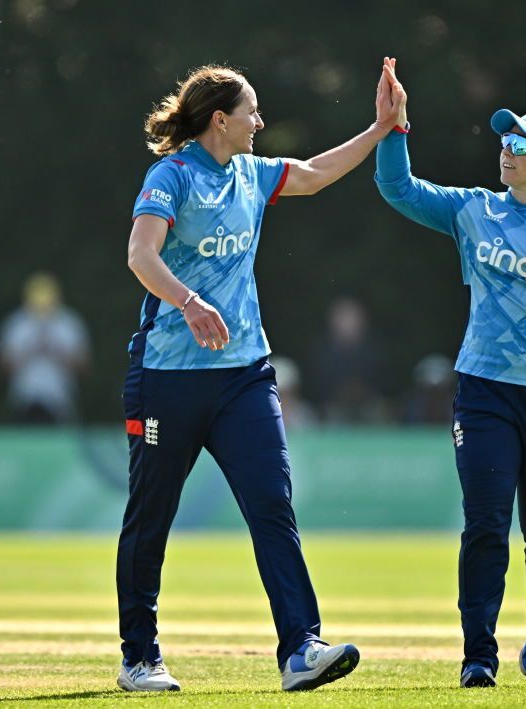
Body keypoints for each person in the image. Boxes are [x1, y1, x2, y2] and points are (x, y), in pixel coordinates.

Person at [117, 63, 402, 693]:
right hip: (168, 377)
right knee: (151, 516)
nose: (260, 122)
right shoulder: (172, 175)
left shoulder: (252, 174)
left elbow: (318, 173)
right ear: (221, 120)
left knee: (273, 505)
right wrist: (189, 302)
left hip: (245, 375)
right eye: (251, 112)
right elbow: (142, 254)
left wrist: (381, 127)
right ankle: (139, 656)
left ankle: (301, 649)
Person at [374, 58, 526, 687]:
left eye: (522, 145)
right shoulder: (473, 209)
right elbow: (398, 190)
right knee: (485, 522)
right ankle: (478, 656)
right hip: (484, 388)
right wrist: (393, 130)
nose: (507, 152)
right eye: (506, 141)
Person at [0, 272, 90, 424]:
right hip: (23, 400)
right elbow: (2, 367)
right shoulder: (16, 324)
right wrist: (29, 351)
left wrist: (56, 352)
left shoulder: (69, 323)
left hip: (61, 402)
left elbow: (84, 367)